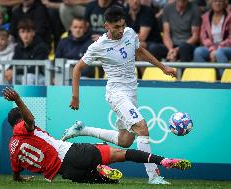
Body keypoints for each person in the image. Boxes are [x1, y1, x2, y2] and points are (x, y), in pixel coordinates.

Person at [63, 5, 177, 184]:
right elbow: (77, 69)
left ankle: (83, 130)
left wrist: (163, 67)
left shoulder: (130, 33)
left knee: (125, 141)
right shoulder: (98, 46)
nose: (121, 30)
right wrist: (75, 96)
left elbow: (140, 51)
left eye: (123, 25)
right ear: (106, 26)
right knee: (142, 128)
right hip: (116, 93)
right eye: (116, 27)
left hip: (131, 92)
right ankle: (154, 176)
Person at [3, 87, 191, 183]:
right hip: (73, 152)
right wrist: (18, 99)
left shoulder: (13, 148)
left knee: (113, 182)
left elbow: (16, 173)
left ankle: (100, 171)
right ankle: (163, 161)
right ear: (18, 122)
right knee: (124, 154)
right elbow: (29, 121)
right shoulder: (23, 128)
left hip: (68, 173)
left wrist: (20, 179)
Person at [193, 0, 231, 76]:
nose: (217, 3)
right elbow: (203, 36)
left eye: (220, 1)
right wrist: (212, 49)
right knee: (198, 51)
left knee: (220, 52)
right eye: (215, 1)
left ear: (224, 3)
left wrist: (217, 49)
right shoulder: (206, 17)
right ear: (211, 3)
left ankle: (225, 80)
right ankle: (206, 77)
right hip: (211, 48)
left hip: (229, 48)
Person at [12, 18, 49, 85]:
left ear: (33, 33)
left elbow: (35, 69)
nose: (25, 35)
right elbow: (14, 64)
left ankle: (27, 96)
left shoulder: (41, 47)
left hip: (40, 77)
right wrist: (8, 72)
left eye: (28, 31)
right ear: (19, 33)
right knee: (4, 76)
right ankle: (3, 96)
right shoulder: (18, 47)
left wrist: (14, 71)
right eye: (22, 32)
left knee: (28, 77)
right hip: (23, 75)